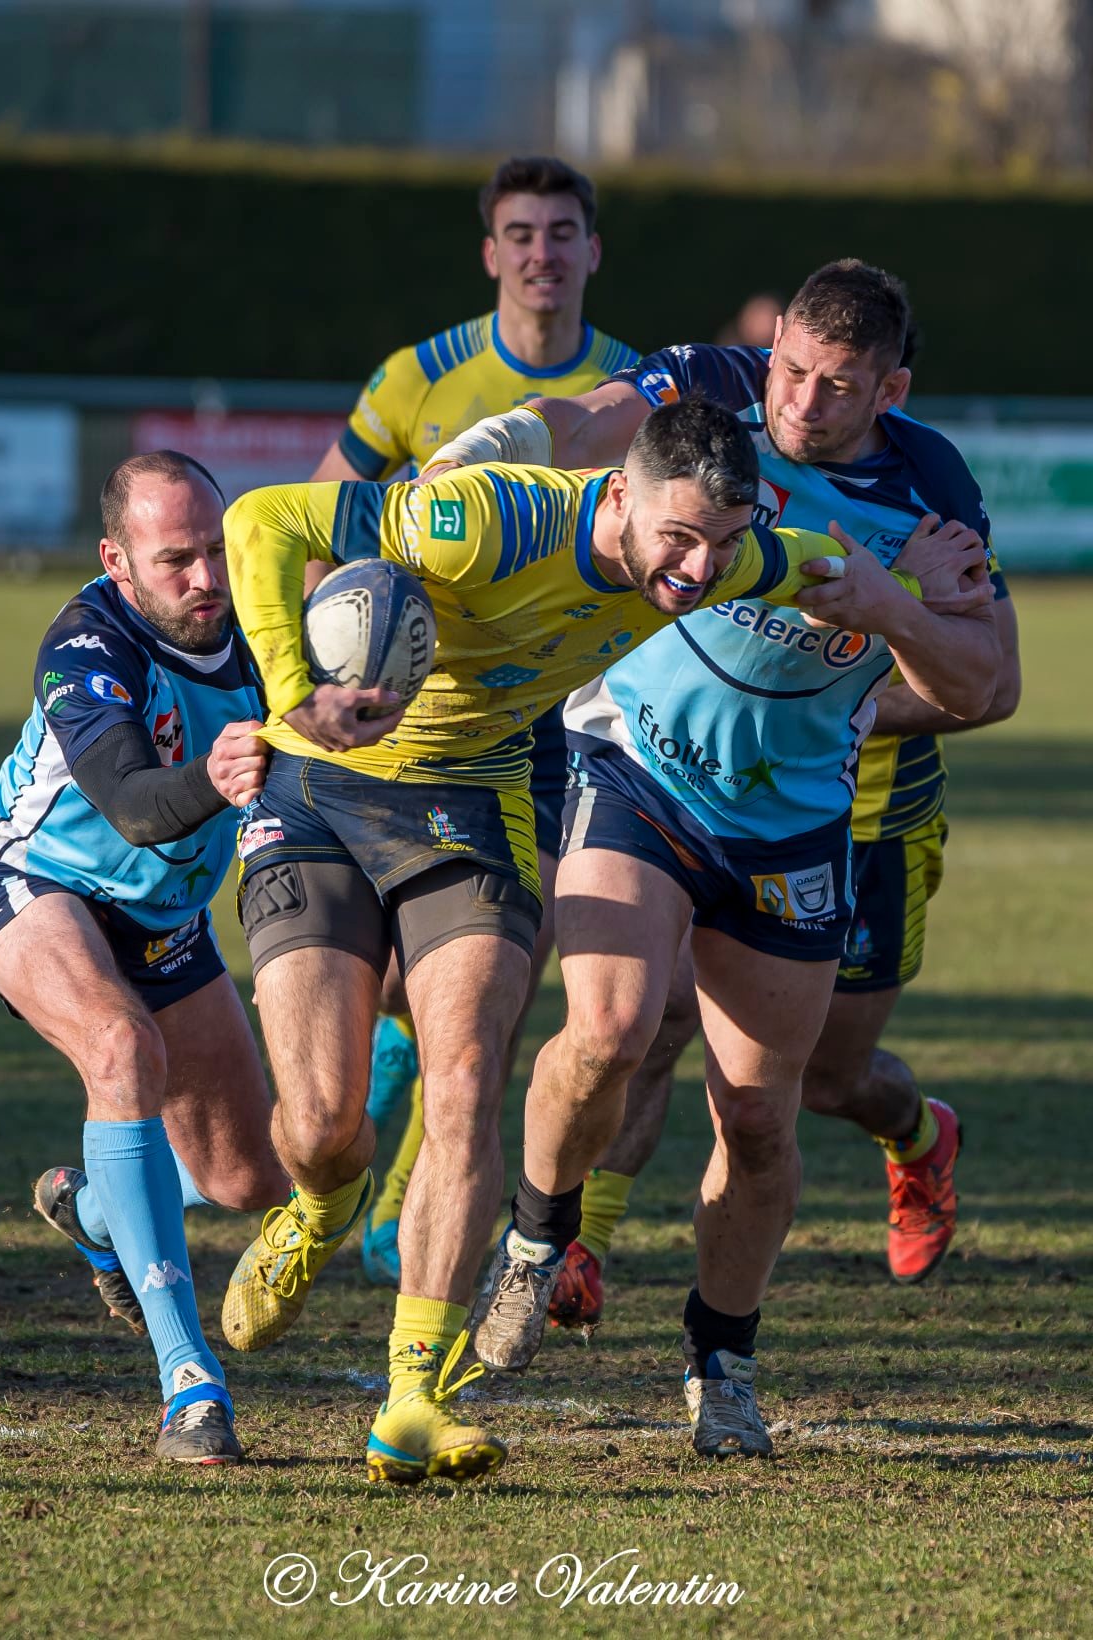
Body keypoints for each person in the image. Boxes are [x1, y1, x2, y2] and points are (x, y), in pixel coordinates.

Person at [217, 396, 968, 1484]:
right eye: (678, 537)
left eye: (722, 541)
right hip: (323, 786)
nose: (700, 567)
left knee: (468, 1073)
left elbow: (832, 572)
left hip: (476, 801)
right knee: (326, 1128)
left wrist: (916, 593)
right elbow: (263, 522)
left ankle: (414, 1395)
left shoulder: (740, 553)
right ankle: (324, 1203)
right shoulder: (480, 522)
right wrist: (297, 697)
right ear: (619, 495)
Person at [422, 262, 1005, 1454]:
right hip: (635, 768)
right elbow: (584, 420)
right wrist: (487, 445)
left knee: (759, 1116)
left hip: (791, 822)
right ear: (773, 341)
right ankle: (537, 1238)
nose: (800, 400)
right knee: (609, 1025)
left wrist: (896, 610)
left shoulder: (930, 485)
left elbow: (988, 686)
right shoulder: (712, 389)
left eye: (838, 386)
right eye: (791, 365)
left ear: (889, 387)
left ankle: (722, 1360)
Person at [310, 155, 639, 1288]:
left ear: (593, 251)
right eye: (521, 232)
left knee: (506, 962)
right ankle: (366, 1136)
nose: (542, 252)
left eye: (562, 232)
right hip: (420, 713)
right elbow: (325, 521)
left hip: (563, 715)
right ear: (490, 252)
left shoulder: (630, 392)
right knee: (410, 986)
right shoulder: (419, 377)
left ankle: (404, 1207)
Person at [0, 451, 289, 1465]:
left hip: (164, 918)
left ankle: (97, 1209)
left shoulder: (267, 630)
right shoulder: (87, 637)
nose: (205, 579)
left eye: (217, 550)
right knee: (118, 1044)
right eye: (174, 557)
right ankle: (190, 1381)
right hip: (25, 884)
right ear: (118, 560)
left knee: (249, 1175)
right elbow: (137, 805)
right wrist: (216, 774)